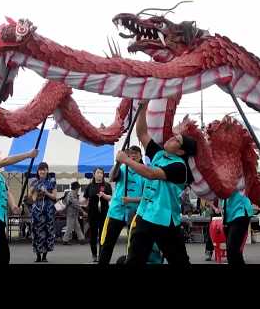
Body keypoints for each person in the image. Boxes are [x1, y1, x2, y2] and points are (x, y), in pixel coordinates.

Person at [117, 100, 196, 266]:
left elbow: (151, 174)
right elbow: (142, 134)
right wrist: (143, 107)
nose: (172, 138)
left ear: (181, 151)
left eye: (177, 140)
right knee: (134, 260)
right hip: (145, 215)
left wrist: (127, 160)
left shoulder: (180, 167)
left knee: (179, 261)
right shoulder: (159, 154)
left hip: (165, 221)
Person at [98, 146, 144, 265]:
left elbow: (147, 197)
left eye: (136, 153)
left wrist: (131, 200)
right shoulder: (122, 168)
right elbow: (112, 177)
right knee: (107, 244)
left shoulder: (145, 172)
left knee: (134, 247)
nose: (133, 155)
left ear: (141, 156)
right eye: (130, 153)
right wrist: (118, 162)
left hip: (135, 214)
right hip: (116, 212)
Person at [28, 162, 57, 263]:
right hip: (37, 212)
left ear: (47, 170)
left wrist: (46, 193)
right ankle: (38, 256)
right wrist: (35, 193)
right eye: (40, 169)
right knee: (37, 232)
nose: (42, 171)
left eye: (44, 169)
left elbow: (54, 196)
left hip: (48, 211)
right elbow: (31, 198)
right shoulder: (34, 182)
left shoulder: (52, 181)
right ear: (37, 171)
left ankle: (44, 256)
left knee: (48, 232)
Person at [83, 167, 112, 262]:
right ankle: (94, 255)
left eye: (101, 173)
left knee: (103, 235)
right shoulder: (90, 186)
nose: (100, 174)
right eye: (98, 173)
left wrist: (103, 195)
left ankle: (101, 255)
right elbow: (85, 199)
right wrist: (78, 202)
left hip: (104, 213)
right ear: (94, 174)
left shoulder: (107, 185)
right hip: (92, 214)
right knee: (93, 235)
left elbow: (110, 197)